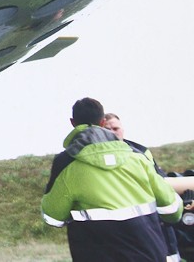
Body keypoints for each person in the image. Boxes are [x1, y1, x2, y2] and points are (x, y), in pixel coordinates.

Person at [41, 97, 183, 262]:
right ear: (102, 122)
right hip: (150, 253)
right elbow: (172, 209)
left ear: (72, 122)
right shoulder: (137, 156)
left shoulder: (66, 162)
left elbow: (52, 218)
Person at [103, 112, 181, 261]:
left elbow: (160, 181)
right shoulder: (96, 157)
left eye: (115, 128)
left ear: (122, 129)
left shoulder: (141, 151)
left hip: (154, 220)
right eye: (108, 129)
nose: (113, 132)